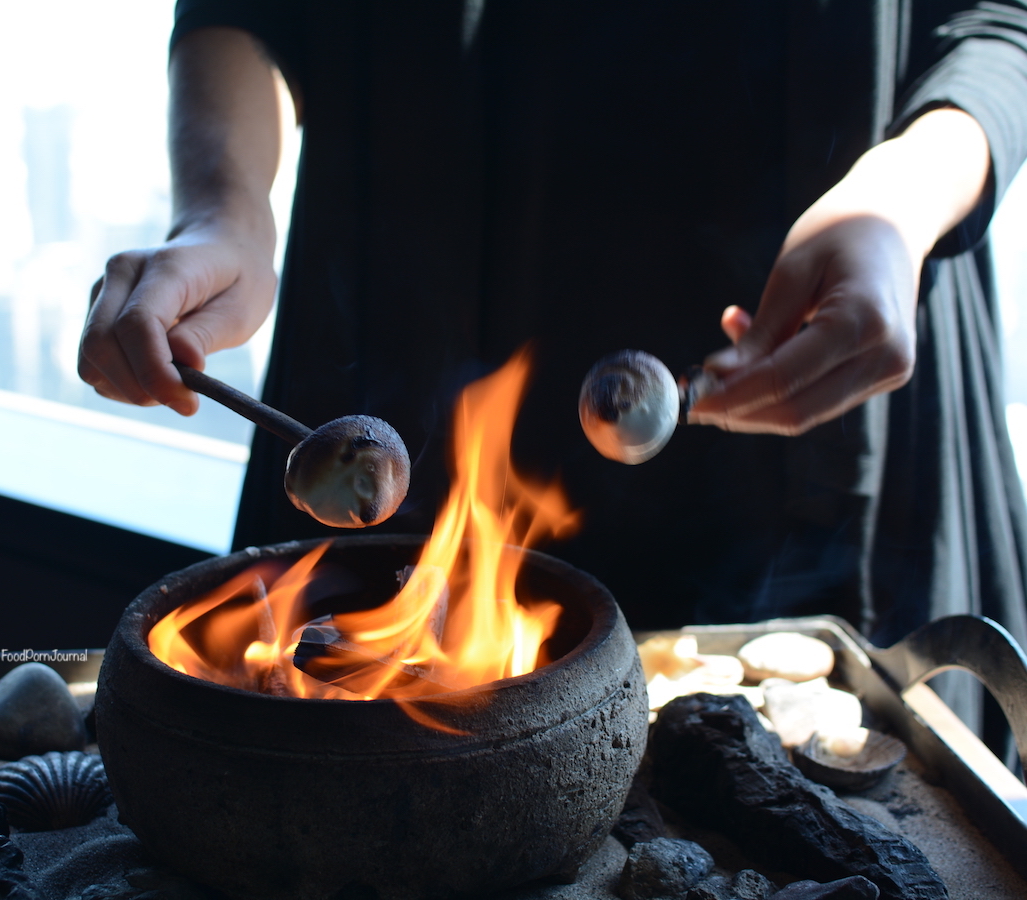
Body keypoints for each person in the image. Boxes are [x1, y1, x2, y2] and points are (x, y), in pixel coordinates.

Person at [79, 2, 1027, 752]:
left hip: (823, 322)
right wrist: (221, 211)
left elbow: (998, 17)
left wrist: (898, 203)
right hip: (411, 310)